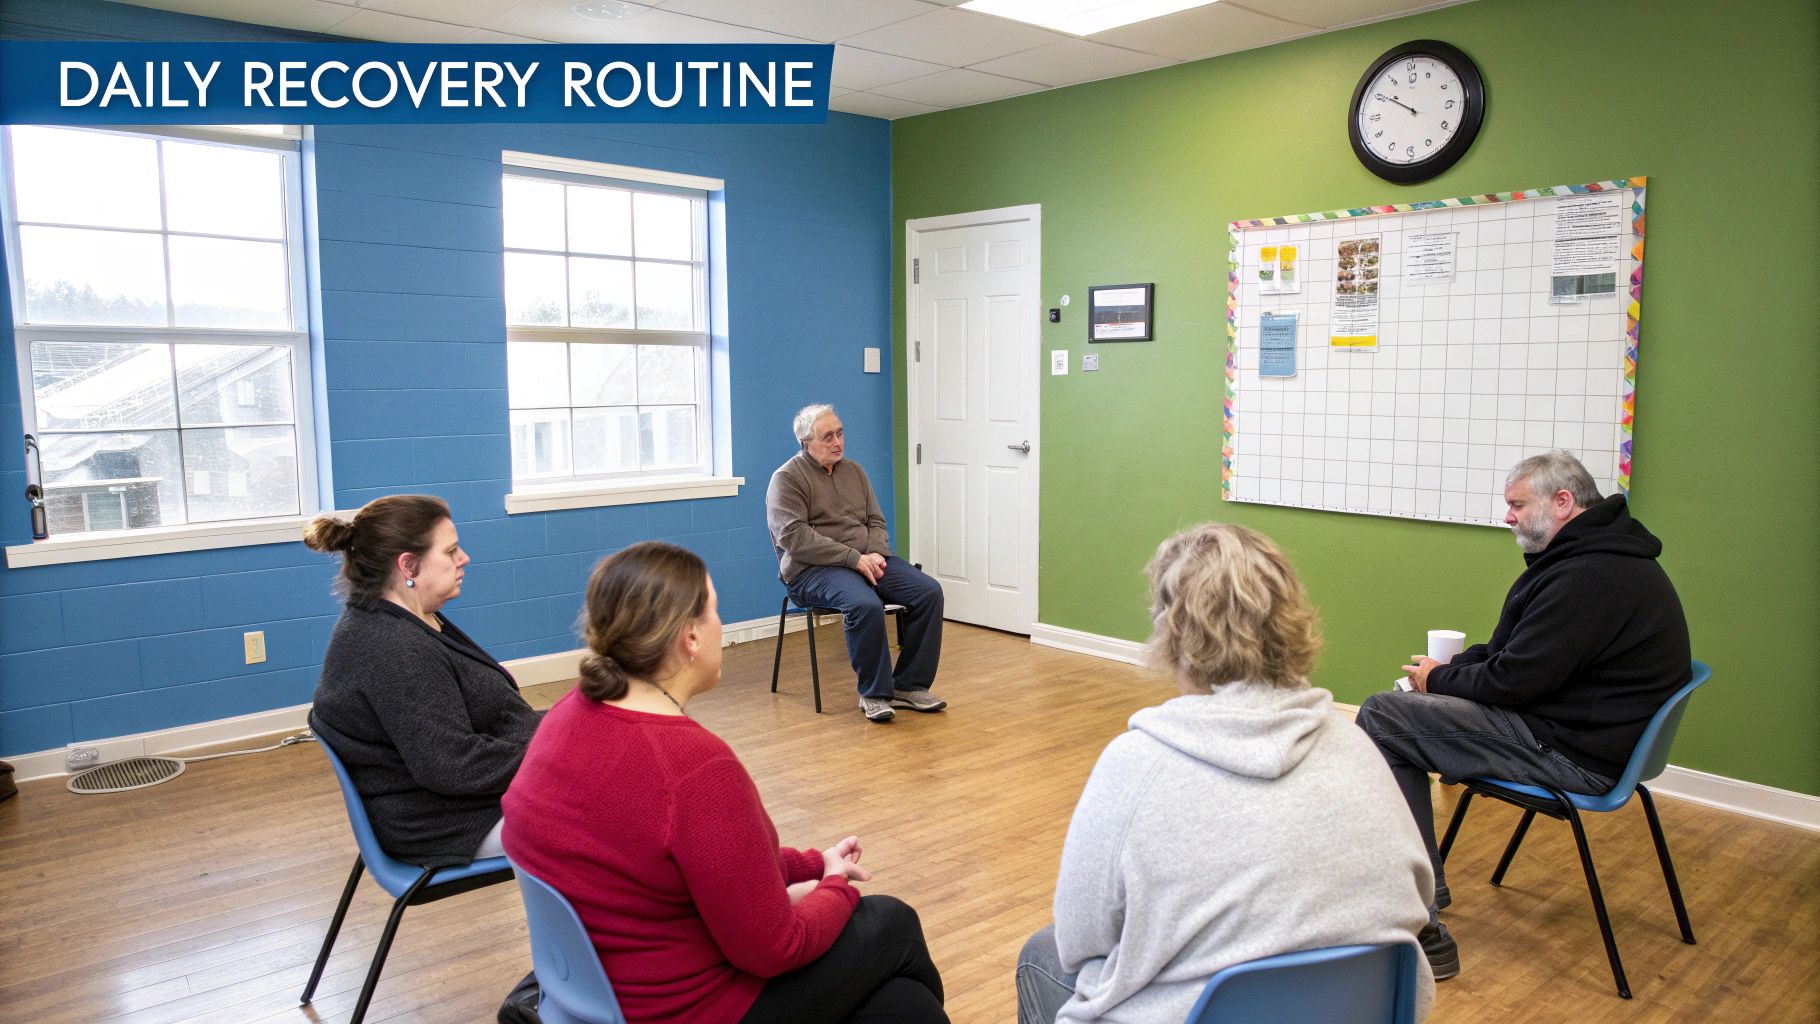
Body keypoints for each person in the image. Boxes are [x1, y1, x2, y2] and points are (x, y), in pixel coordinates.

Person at [502, 541, 947, 1024]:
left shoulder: (565, 718)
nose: (720, 624)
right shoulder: (694, 767)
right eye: (715, 611)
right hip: (688, 1009)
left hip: (597, 994)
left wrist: (813, 864)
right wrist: (836, 885)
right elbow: (777, 948)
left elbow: (714, 861)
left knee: (904, 1007)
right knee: (891, 923)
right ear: (690, 637)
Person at [1016, 523, 1435, 1024]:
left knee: (1040, 953)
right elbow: (1419, 898)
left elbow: (1080, 940)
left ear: (1171, 628)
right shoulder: (1356, 744)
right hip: (1365, 1010)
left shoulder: (1136, 766)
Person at [1356, 450, 1692, 980]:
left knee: (1382, 716)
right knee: (1396, 719)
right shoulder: (1597, 558)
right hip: (1582, 732)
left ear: (1563, 502)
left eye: (1517, 504)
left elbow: (1514, 680)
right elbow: (1512, 652)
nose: (1507, 516)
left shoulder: (1589, 578)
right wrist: (1447, 670)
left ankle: (1418, 915)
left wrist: (1437, 680)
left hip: (1574, 753)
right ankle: (1418, 890)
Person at [304, 494, 539, 868]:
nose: (464, 559)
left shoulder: (410, 616)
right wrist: (560, 746)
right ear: (408, 565)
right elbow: (454, 766)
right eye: (451, 551)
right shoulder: (391, 648)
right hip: (450, 823)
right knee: (631, 802)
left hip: (464, 800)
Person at [765, 403, 946, 723]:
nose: (838, 442)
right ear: (805, 443)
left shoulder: (854, 471)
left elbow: (876, 520)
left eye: (840, 433)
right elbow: (795, 539)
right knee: (864, 605)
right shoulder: (787, 479)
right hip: (812, 571)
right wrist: (853, 558)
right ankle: (874, 693)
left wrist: (875, 552)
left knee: (928, 592)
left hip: (866, 559)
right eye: (827, 437)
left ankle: (909, 684)